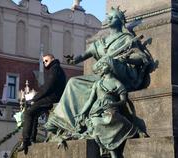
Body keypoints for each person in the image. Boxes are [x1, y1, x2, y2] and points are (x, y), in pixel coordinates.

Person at [44, 7, 151, 137]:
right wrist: (73, 60)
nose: (110, 18)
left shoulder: (127, 39)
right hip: (102, 77)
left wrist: (128, 59)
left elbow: (141, 58)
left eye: (114, 17)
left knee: (108, 61)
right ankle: (68, 123)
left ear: (121, 21)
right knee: (73, 82)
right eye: (109, 16)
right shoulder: (101, 43)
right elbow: (83, 55)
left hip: (121, 77)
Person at [19, 54, 66, 154]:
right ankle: (31, 139)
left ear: (52, 59)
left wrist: (35, 98)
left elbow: (48, 86)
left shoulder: (55, 69)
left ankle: (25, 141)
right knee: (34, 113)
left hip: (53, 98)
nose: (45, 63)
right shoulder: (57, 69)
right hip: (54, 97)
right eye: (43, 61)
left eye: (46, 60)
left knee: (28, 112)